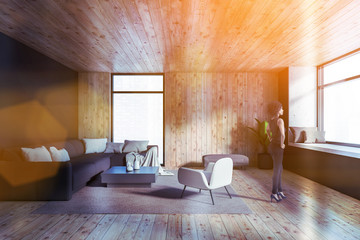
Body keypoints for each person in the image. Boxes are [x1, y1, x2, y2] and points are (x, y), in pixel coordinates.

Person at [266, 101, 286, 203]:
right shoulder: (280, 120)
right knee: (277, 170)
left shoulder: (271, 120)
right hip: (278, 147)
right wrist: (282, 144)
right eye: (281, 108)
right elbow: (283, 134)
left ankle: (280, 191)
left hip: (272, 146)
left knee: (280, 168)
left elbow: (267, 130)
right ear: (278, 110)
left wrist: (270, 139)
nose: (283, 110)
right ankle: (274, 193)